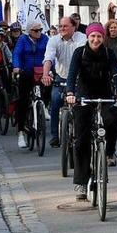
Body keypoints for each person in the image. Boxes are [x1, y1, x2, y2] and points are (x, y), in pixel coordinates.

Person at [66, 23, 117, 200]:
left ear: (103, 38)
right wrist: (70, 93)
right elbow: (72, 74)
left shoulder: (109, 54)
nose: (96, 39)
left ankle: (109, 152)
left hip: (105, 95)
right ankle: (80, 183)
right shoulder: (80, 53)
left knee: (114, 120)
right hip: (84, 97)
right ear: (88, 37)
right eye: (93, 36)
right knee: (81, 140)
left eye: (99, 37)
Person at [41, 16, 87, 147]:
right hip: (60, 77)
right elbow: (48, 58)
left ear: (74, 27)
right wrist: (45, 74)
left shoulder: (81, 38)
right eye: (60, 26)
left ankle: (81, 134)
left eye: (65, 26)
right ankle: (56, 136)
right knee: (55, 101)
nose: (62, 29)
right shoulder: (53, 40)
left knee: (81, 105)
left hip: (78, 78)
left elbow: (81, 54)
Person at [12, 21, 50, 148]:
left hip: (41, 71)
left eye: (40, 30)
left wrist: (51, 68)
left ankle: (44, 106)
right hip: (26, 72)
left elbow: (50, 54)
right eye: (35, 30)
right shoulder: (23, 40)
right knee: (23, 101)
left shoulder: (45, 39)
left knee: (49, 85)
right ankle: (21, 133)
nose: (39, 32)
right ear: (29, 31)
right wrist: (17, 67)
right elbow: (17, 53)